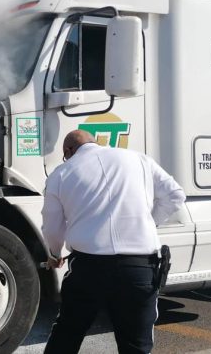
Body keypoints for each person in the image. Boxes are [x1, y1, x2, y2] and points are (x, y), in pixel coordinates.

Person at [41, 130, 185, 354]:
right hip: (138, 268)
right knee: (135, 344)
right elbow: (175, 195)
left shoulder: (61, 174)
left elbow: (52, 224)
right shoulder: (138, 159)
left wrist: (55, 254)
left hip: (87, 269)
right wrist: (147, 223)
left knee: (67, 335)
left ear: (68, 151)